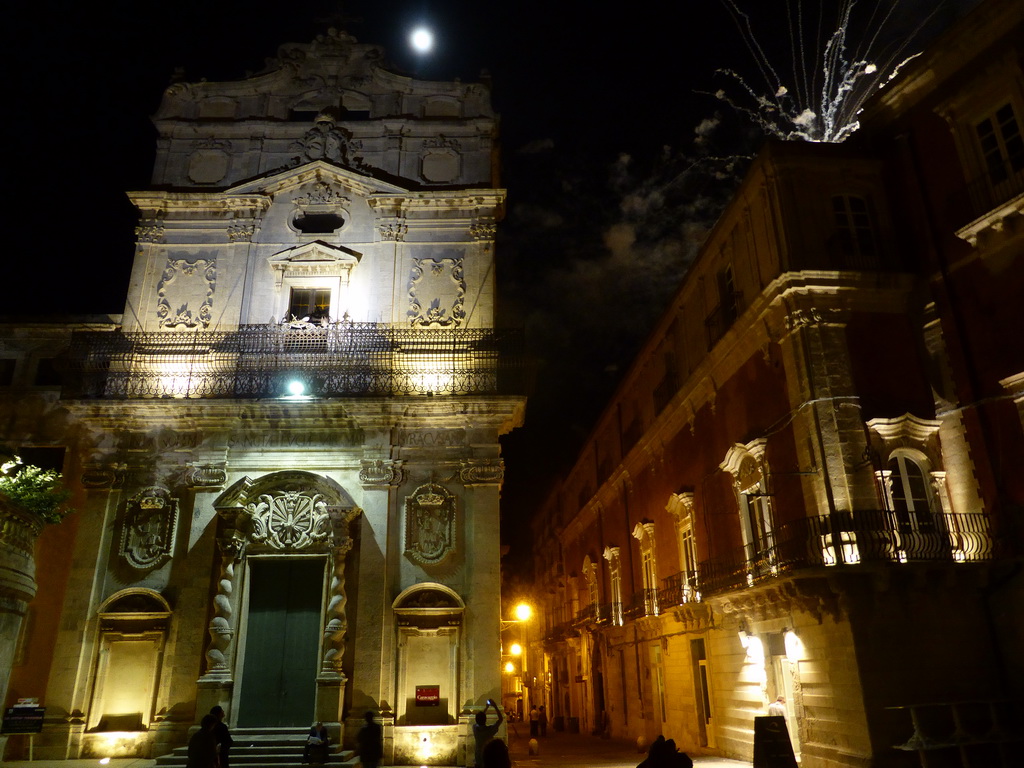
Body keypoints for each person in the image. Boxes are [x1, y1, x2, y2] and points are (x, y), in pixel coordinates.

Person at [473, 699, 505, 768]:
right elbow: (500, 719)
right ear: (485, 719)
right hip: (487, 758)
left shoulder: (475, 729)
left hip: (478, 758)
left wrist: (486, 708)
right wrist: (495, 706)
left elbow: (479, 719)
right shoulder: (490, 730)